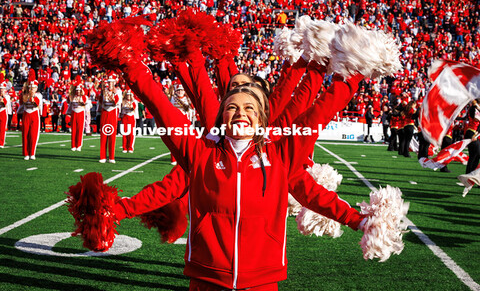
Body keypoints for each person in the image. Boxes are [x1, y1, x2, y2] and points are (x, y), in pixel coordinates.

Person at [115, 62, 366, 290]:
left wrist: (357, 219)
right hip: (207, 275)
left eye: (249, 108)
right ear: (221, 117)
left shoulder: (280, 155)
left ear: (260, 119)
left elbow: (320, 114)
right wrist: (132, 68)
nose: (240, 113)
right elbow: (161, 107)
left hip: (262, 278)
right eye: (231, 107)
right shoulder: (201, 153)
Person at [98, 73, 122, 163]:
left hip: (112, 112)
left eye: (112, 82)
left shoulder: (118, 91)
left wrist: (114, 94)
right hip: (105, 111)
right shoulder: (104, 91)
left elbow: (117, 102)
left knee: (112, 134)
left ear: (114, 83)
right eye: (109, 82)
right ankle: (102, 157)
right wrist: (101, 95)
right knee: (103, 134)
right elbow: (100, 101)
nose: (110, 84)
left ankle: (111, 157)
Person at [21, 71, 43, 160]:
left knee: (33, 134)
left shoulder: (38, 95)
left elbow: (36, 103)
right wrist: (27, 92)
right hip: (26, 114)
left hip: (34, 114)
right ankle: (26, 153)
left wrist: (32, 96)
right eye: (31, 88)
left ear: (36, 89)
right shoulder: (24, 95)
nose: (32, 89)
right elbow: (23, 101)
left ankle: (32, 153)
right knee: (25, 134)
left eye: (33, 88)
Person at [68, 82, 88, 151]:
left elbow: (84, 103)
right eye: (77, 90)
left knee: (80, 129)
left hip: (80, 113)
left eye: (79, 90)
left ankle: (79, 145)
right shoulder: (73, 96)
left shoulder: (84, 97)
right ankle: (73, 145)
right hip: (74, 113)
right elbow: (70, 102)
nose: (78, 91)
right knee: (73, 129)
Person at [464, 99, 480, 174]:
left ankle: (470, 173)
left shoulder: (475, 109)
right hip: (472, 133)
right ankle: (469, 173)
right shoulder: (474, 109)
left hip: (473, 133)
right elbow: (476, 118)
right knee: (474, 155)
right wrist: (476, 105)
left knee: (476, 155)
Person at [0, 77, 10, 148]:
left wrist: (2, 97)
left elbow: (5, 104)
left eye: (2, 89)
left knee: (2, 128)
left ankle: (1, 143)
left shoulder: (7, 96)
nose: (1, 90)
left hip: (3, 112)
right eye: (0, 89)